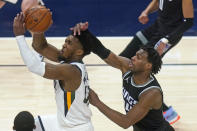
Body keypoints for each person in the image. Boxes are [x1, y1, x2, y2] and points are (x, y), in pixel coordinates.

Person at [71, 23, 174, 131]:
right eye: (135, 55)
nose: (133, 58)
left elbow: (125, 122)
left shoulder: (151, 93)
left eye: (138, 57)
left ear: (148, 66)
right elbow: (103, 52)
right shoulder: (127, 67)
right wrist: (85, 34)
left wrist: (97, 102)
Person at [13, 13, 94, 131]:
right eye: (66, 41)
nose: (64, 45)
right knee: (24, 123)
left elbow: (34, 66)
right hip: (66, 123)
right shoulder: (69, 61)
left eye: (69, 43)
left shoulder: (71, 71)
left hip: (75, 128)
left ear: (79, 52)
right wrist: (38, 28)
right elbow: (41, 46)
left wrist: (19, 36)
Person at [119, 0, 194, 124]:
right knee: (124, 58)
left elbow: (188, 22)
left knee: (140, 68)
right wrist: (146, 11)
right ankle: (143, 100)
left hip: (167, 36)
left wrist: (167, 39)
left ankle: (165, 112)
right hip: (157, 26)